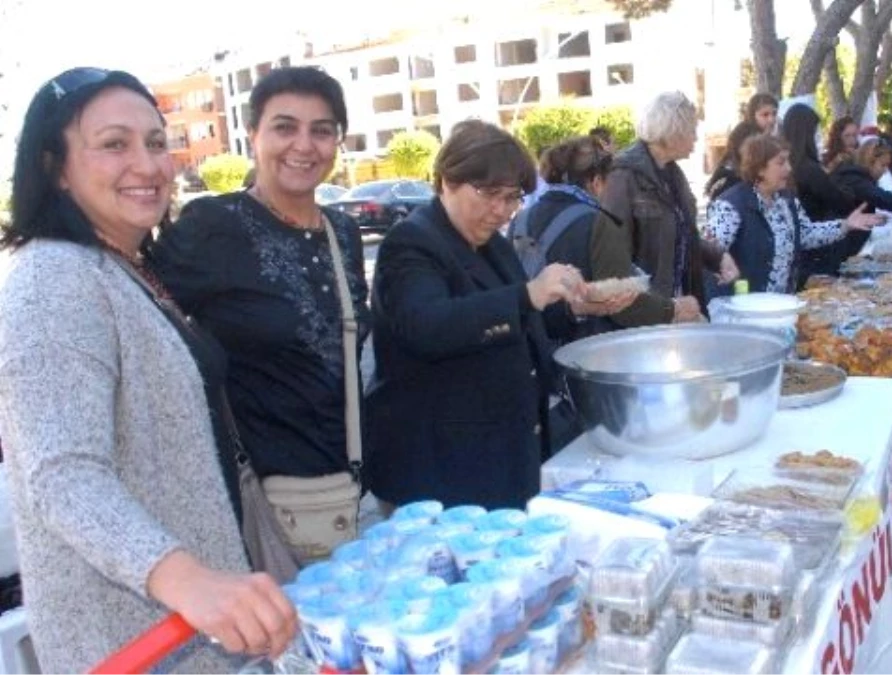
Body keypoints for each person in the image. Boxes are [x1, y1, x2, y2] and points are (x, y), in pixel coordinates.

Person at [0, 67, 296, 672]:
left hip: (192, 629)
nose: (148, 164)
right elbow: (61, 473)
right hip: (134, 639)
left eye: (156, 142)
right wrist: (188, 580)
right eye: (114, 145)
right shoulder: (51, 280)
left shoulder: (121, 266)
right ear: (55, 167)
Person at [153, 68, 371, 546]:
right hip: (262, 504)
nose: (304, 145)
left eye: (322, 130)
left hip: (343, 489)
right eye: (284, 126)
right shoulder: (213, 227)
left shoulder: (343, 232)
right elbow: (141, 314)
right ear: (253, 135)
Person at [367, 121, 628, 511]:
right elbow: (429, 326)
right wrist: (529, 294)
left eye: (512, 198)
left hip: (500, 457)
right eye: (489, 195)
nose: (501, 211)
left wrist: (575, 307)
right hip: (441, 471)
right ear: (447, 181)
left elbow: (520, 320)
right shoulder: (411, 243)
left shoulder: (490, 244)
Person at [602, 91, 738, 316]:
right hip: (647, 316)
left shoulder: (673, 174)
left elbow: (681, 235)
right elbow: (613, 256)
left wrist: (717, 256)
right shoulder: (623, 176)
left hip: (677, 308)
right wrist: (654, 309)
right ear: (674, 130)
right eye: (692, 130)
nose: (696, 138)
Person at [513, 135, 663, 338]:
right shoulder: (598, 222)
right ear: (596, 181)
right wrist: (673, 309)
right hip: (587, 350)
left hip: (534, 346)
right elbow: (622, 302)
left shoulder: (520, 218)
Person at [705, 134, 883, 293]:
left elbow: (805, 234)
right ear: (759, 168)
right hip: (742, 312)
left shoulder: (787, 201)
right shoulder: (731, 205)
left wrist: (846, 225)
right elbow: (711, 253)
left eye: (788, 161)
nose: (789, 169)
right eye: (781, 162)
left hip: (779, 308)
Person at [778, 103, 860, 283]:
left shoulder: (795, 166)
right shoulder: (808, 168)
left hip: (802, 248)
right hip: (816, 248)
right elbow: (838, 199)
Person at [830, 139, 892, 218]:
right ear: (869, 162)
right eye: (883, 165)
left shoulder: (856, 176)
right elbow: (882, 198)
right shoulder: (854, 178)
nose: (885, 171)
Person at [704, 120, 760, 199]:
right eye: (751, 147)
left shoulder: (751, 174)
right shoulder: (728, 180)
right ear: (738, 146)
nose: (756, 152)